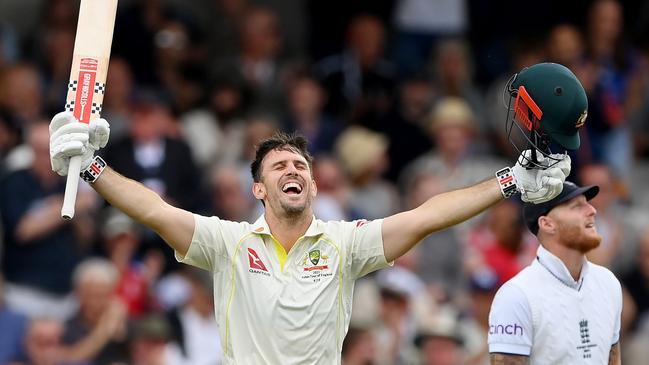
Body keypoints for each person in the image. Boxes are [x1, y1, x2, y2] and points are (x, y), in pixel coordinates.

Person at [48, 63, 576, 363]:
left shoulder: (345, 245)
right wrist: (92, 168)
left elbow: (426, 215)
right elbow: (153, 209)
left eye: (299, 163)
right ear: (258, 189)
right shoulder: (228, 243)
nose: (290, 170)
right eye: (277, 166)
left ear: (315, 183)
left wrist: (510, 180)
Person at [487, 182, 622, 364]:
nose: (592, 210)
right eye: (577, 206)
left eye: (587, 203)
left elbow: (612, 358)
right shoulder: (516, 295)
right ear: (547, 224)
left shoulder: (608, 282)